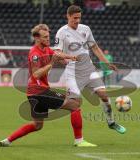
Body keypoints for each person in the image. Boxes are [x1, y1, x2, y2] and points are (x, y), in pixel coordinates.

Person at [0, 24, 96, 147]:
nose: (48, 39)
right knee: (75, 105)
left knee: (37, 125)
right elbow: (36, 74)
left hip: (34, 94)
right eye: (45, 37)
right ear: (37, 38)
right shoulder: (35, 53)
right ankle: (79, 141)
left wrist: (73, 58)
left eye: (48, 36)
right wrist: (51, 64)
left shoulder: (46, 49)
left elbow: (59, 56)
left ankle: (8, 140)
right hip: (40, 92)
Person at [54, 5, 126, 146]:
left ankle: (111, 122)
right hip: (73, 72)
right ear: (67, 16)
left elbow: (95, 47)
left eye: (79, 18)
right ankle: (78, 139)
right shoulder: (61, 32)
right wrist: (70, 57)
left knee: (104, 95)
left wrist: (106, 63)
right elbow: (56, 53)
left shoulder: (85, 29)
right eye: (74, 18)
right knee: (74, 103)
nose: (77, 20)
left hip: (89, 69)